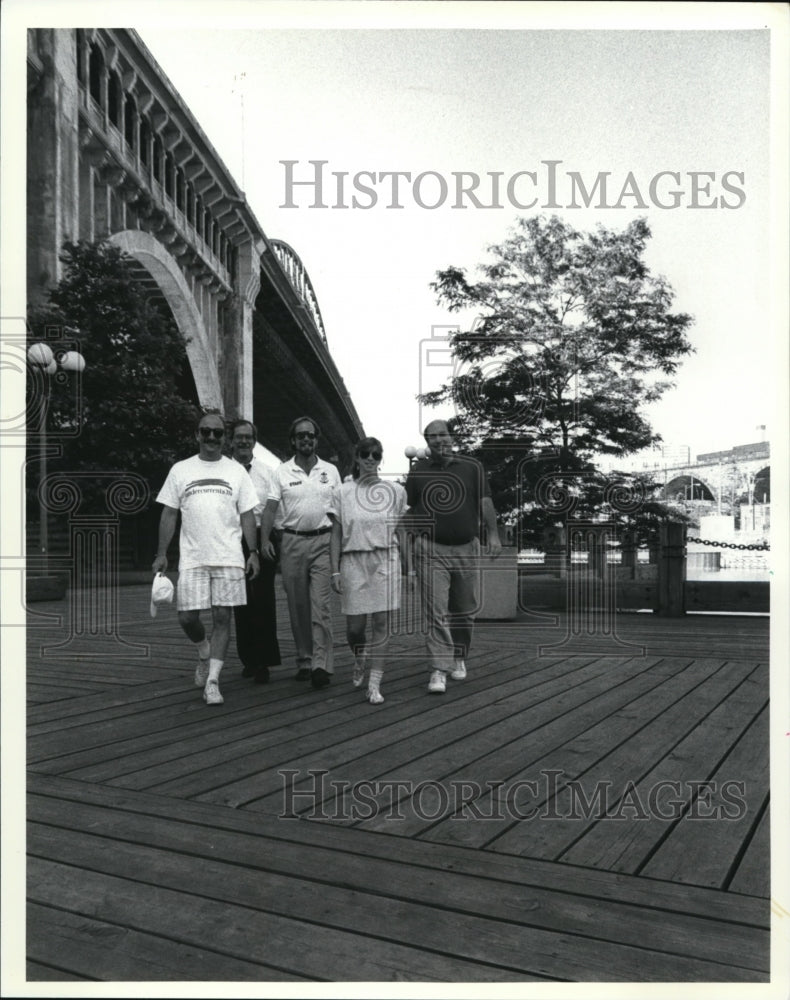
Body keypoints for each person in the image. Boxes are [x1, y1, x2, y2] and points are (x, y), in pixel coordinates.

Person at [152, 409, 260, 706]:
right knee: (187, 617)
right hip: (193, 557)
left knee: (223, 617)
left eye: (217, 433)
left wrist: (253, 552)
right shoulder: (180, 470)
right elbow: (169, 513)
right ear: (197, 435)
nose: (211, 437)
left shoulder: (236, 471)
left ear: (224, 439)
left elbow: (248, 515)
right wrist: (162, 553)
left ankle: (213, 681)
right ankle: (203, 650)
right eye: (206, 431)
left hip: (228, 556)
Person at [405, 419, 502, 694]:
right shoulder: (419, 470)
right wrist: (409, 549)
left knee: (464, 611)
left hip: (465, 548)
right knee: (436, 612)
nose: (439, 440)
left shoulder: (472, 467)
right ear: (427, 442)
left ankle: (459, 655)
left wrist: (493, 535)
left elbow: (484, 502)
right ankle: (439, 669)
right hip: (430, 549)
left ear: (451, 436)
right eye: (432, 437)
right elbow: (412, 508)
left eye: (442, 434)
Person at [260, 416, 341, 690]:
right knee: (298, 607)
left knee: (322, 606)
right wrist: (263, 541)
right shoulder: (281, 471)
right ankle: (304, 659)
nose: (306, 439)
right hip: (291, 543)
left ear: (316, 440)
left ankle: (321, 664)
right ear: (293, 441)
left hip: (323, 541)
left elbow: (340, 510)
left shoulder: (330, 470)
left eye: (311, 435)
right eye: (301, 436)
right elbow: (270, 509)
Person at [329, 437, 409, 704]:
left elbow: (400, 530)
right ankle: (359, 654)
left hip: (386, 560)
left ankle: (374, 684)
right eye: (366, 454)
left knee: (381, 623)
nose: (371, 459)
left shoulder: (395, 491)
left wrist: (410, 570)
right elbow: (336, 533)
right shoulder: (343, 491)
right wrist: (335, 571)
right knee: (355, 628)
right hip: (353, 561)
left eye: (376, 454)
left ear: (381, 458)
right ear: (357, 457)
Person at [228, 419, 282, 684]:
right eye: (239, 437)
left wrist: (270, 540)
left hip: (262, 536)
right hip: (230, 539)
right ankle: (248, 658)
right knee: (240, 601)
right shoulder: (224, 470)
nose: (244, 441)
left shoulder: (268, 472)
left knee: (263, 599)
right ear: (232, 440)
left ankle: (264, 661)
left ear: (254, 441)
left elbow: (274, 510)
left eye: (248, 437)